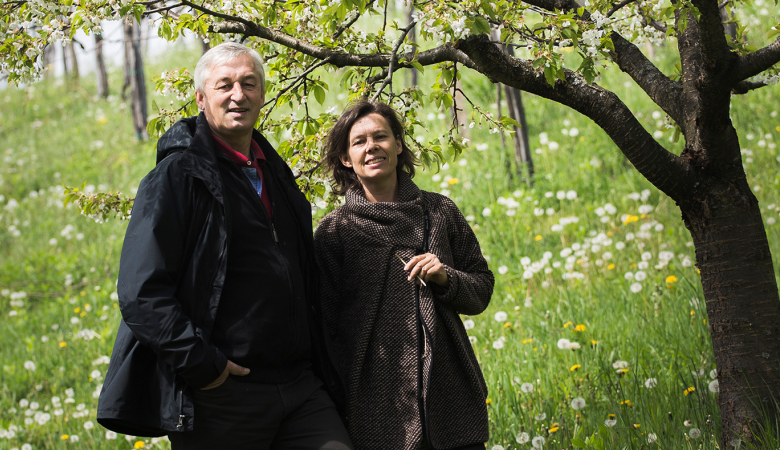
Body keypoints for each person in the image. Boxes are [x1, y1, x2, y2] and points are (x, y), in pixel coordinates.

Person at [96, 43, 352, 450]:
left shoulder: (275, 171)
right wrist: (205, 366)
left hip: (301, 386)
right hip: (223, 395)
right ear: (201, 98)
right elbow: (141, 293)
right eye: (225, 85)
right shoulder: (176, 178)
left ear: (263, 94)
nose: (239, 94)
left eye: (249, 83)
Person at [314, 99, 494, 450]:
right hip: (376, 405)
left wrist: (446, 279)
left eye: (380, 136)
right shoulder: (335, 232)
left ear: (398, 144)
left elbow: (482, 289)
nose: (372, 147)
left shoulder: (440, 211)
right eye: (359, 142)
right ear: (346, 159)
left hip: (450, 396)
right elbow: (324, 329)